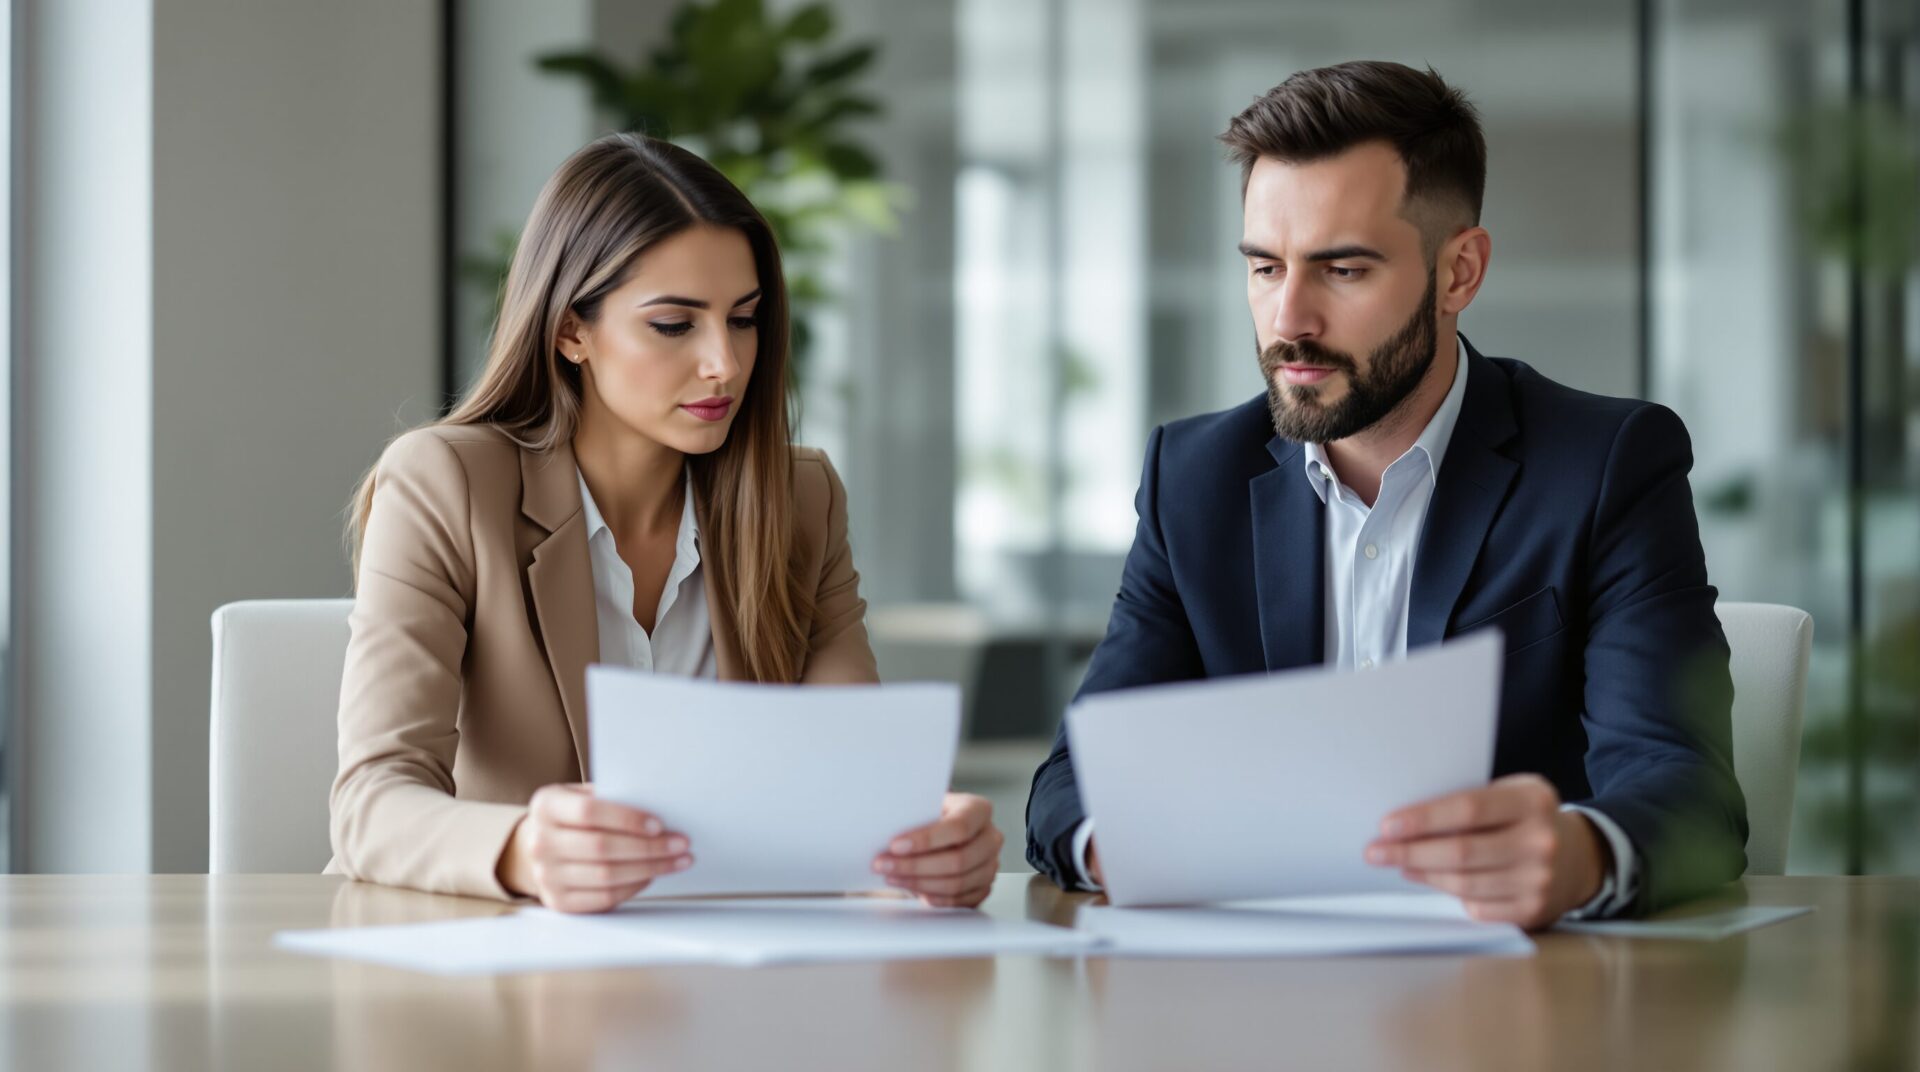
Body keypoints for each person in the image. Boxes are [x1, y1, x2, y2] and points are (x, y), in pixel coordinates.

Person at [1025, 61, 1746, 927]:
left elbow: (1687, 787)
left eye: (1342, 270)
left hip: (1524, 1009)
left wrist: (1581, 855)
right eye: (1264, 268)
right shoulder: (1194, 478)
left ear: (1459, 274)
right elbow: (1074, 782)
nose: (1289, 318)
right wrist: (1128, 844)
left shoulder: (1606, 466)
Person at [330, 133, 1002, 913]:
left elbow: (852, 791)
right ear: (570, 331)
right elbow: (369, 804)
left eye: (744, 319)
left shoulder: (800, 498)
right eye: (675, 325)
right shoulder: (446, 482)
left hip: (736, 971)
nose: (725, 362)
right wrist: (524, 850)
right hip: (495, 973)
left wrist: (924, 846)